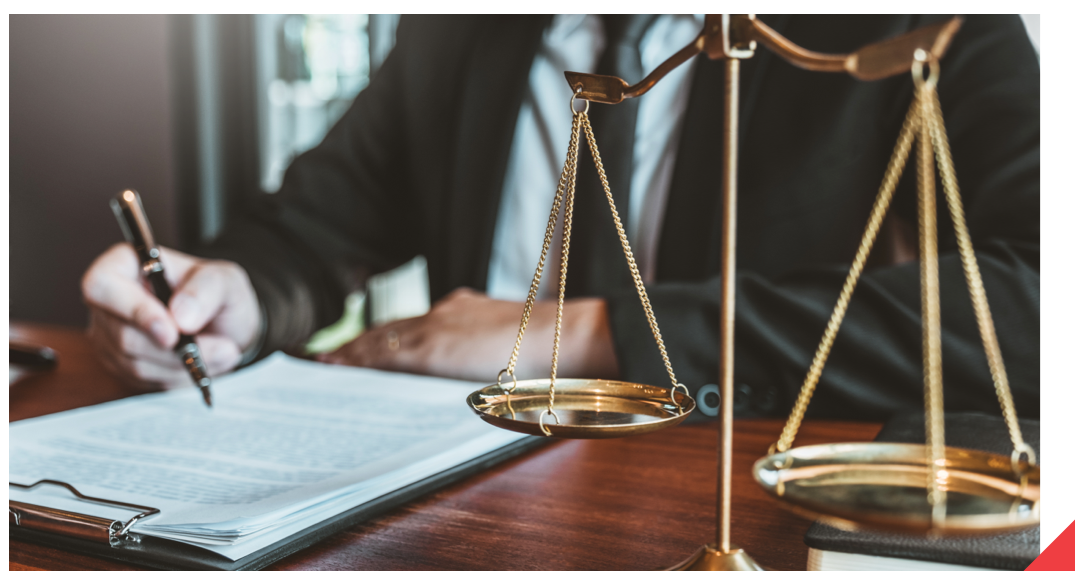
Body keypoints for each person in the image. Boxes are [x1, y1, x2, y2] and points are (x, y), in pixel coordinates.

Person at [81, 14, 1041, 421]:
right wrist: (226, 300)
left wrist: (579, 333)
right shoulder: (459, 28)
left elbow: (1030, 305)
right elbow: (309, 231)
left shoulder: (916, 20)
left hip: (738, 514)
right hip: (456, 499)